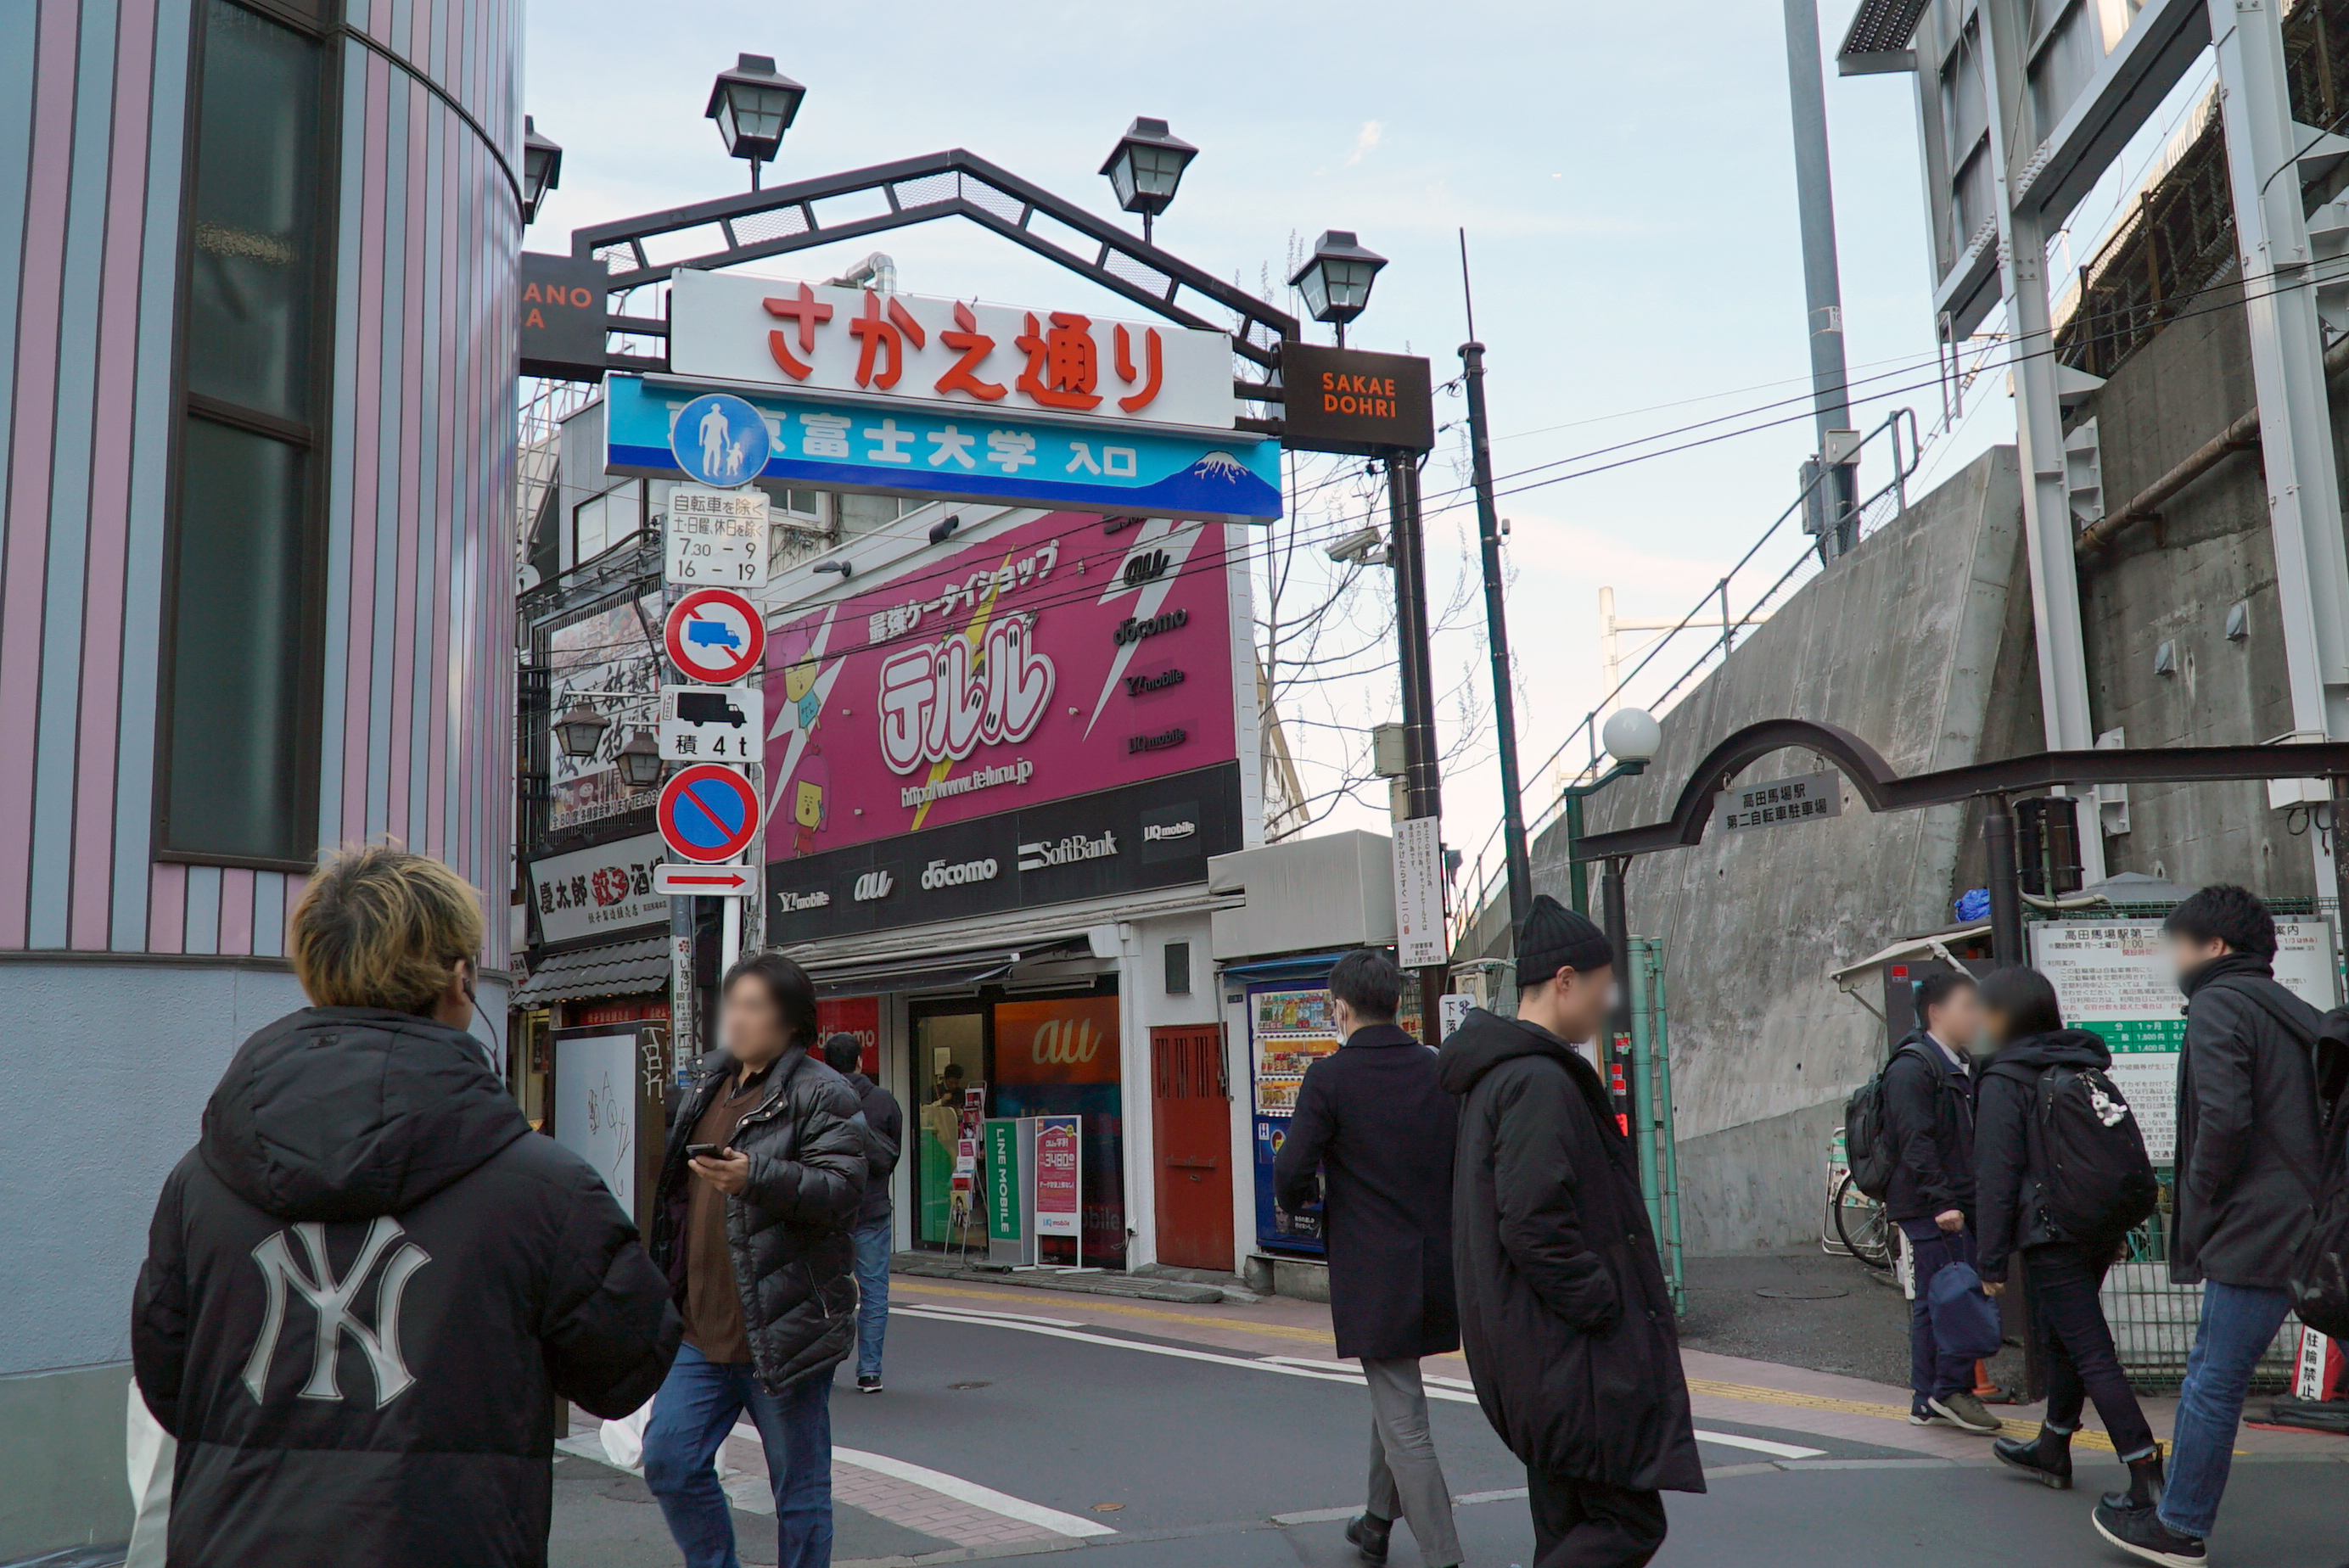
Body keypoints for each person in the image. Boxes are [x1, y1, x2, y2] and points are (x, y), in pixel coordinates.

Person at [131, 845, 680, 1567]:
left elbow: (168, 1384)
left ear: (316, 972)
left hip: (231, 1543)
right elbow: (627, 1366)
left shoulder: (201, 1181)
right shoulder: (544, 1188)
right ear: (459, 978)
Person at [1440, 895, 1702, 1568]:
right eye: (1601, 985)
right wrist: (1603, 1301)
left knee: (1567, 1527)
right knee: (1627, 1523)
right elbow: (1533, 1223)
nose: (1607, 1002)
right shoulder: (1538, 1082)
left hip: (1536, 1355)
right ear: (1564, 981)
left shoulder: (1497, 1076)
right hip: (1570, 1360)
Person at [2095, 887, 2326, 1567]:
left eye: (2179, 944)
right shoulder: (2291, 1010)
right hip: (2314, 1221)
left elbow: (2224, 1119)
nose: (2174, 959)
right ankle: (2177, 1519)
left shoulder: (2218, 1003)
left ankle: (2180, 1525)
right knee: (2216, 1373)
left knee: (2214, 1377)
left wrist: (2199, 1196)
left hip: (2257, 1226)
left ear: (2215, 946)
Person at [643, 954, 869, 1568]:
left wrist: (756, 1177)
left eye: (754, 1007)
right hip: (699, 1329)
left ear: (792, 1021)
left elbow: (843, 1190)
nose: (736, 1019)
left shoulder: (822, 1091)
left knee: (798, 1491)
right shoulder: (707, 1083)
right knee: (668, 1460)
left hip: (782, 1327)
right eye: (732, 1005)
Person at [1274, 949, 1462, 1568]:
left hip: (1374, 1274)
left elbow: (1291, 1171)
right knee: (1393, 1390)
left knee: (1404, 1416)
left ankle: (1444, 1556)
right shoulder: (1436, 1067)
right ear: (1397, 1004)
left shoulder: (1330, 1077)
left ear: (1341, 1008)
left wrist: (1306, 1199)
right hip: (1436, 1266)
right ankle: (1377, 1523)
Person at [1971, 967, 2162, 1515]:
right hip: (2094, 1226)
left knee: (2090, 1349)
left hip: (2050, 1233)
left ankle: (2146, 1471)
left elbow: (1996, 1173)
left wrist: (1991, 1261)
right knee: (2065, 1336)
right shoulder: (2080, 1064)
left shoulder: (2005, 1077)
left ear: (2004, 1017)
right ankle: (2053, 1446)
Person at [1880, 969, 2000, 1434]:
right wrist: (1942, 1202)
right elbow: (1916, 1142)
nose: (1976, 1016)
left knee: (1939, 1299)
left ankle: (1929, 1398)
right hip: (1934, 1206)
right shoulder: (1913, 1067)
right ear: (1935, 1012)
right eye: (1967, 1006)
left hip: (1951, 1201)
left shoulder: (1957, 1063)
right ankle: (1947, 1390)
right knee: (1952, 1296)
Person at [822, 1033, 902, 1394]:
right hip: (872, 1212)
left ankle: (824, 1366)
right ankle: (869, 1371)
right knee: (874, 1293)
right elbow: (892, 1154)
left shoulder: (816, 1099)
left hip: (827, 1214)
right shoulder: (884, 1101)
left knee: (826, 1294)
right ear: (860, 1060)